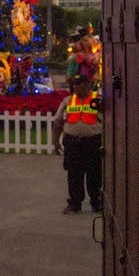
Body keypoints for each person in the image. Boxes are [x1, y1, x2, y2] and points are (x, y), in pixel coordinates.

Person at [53, 76, 103, 214]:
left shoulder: (98, 99)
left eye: (78, 84)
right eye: (74, 84)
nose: (75, 87)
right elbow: (58, 121)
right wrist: (55, 142)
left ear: (87, 85)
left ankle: (96, 202)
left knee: (95, 174)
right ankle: (75, 203)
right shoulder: (68, 101)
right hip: (73, 142)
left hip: (93, 142)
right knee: (74, 174)